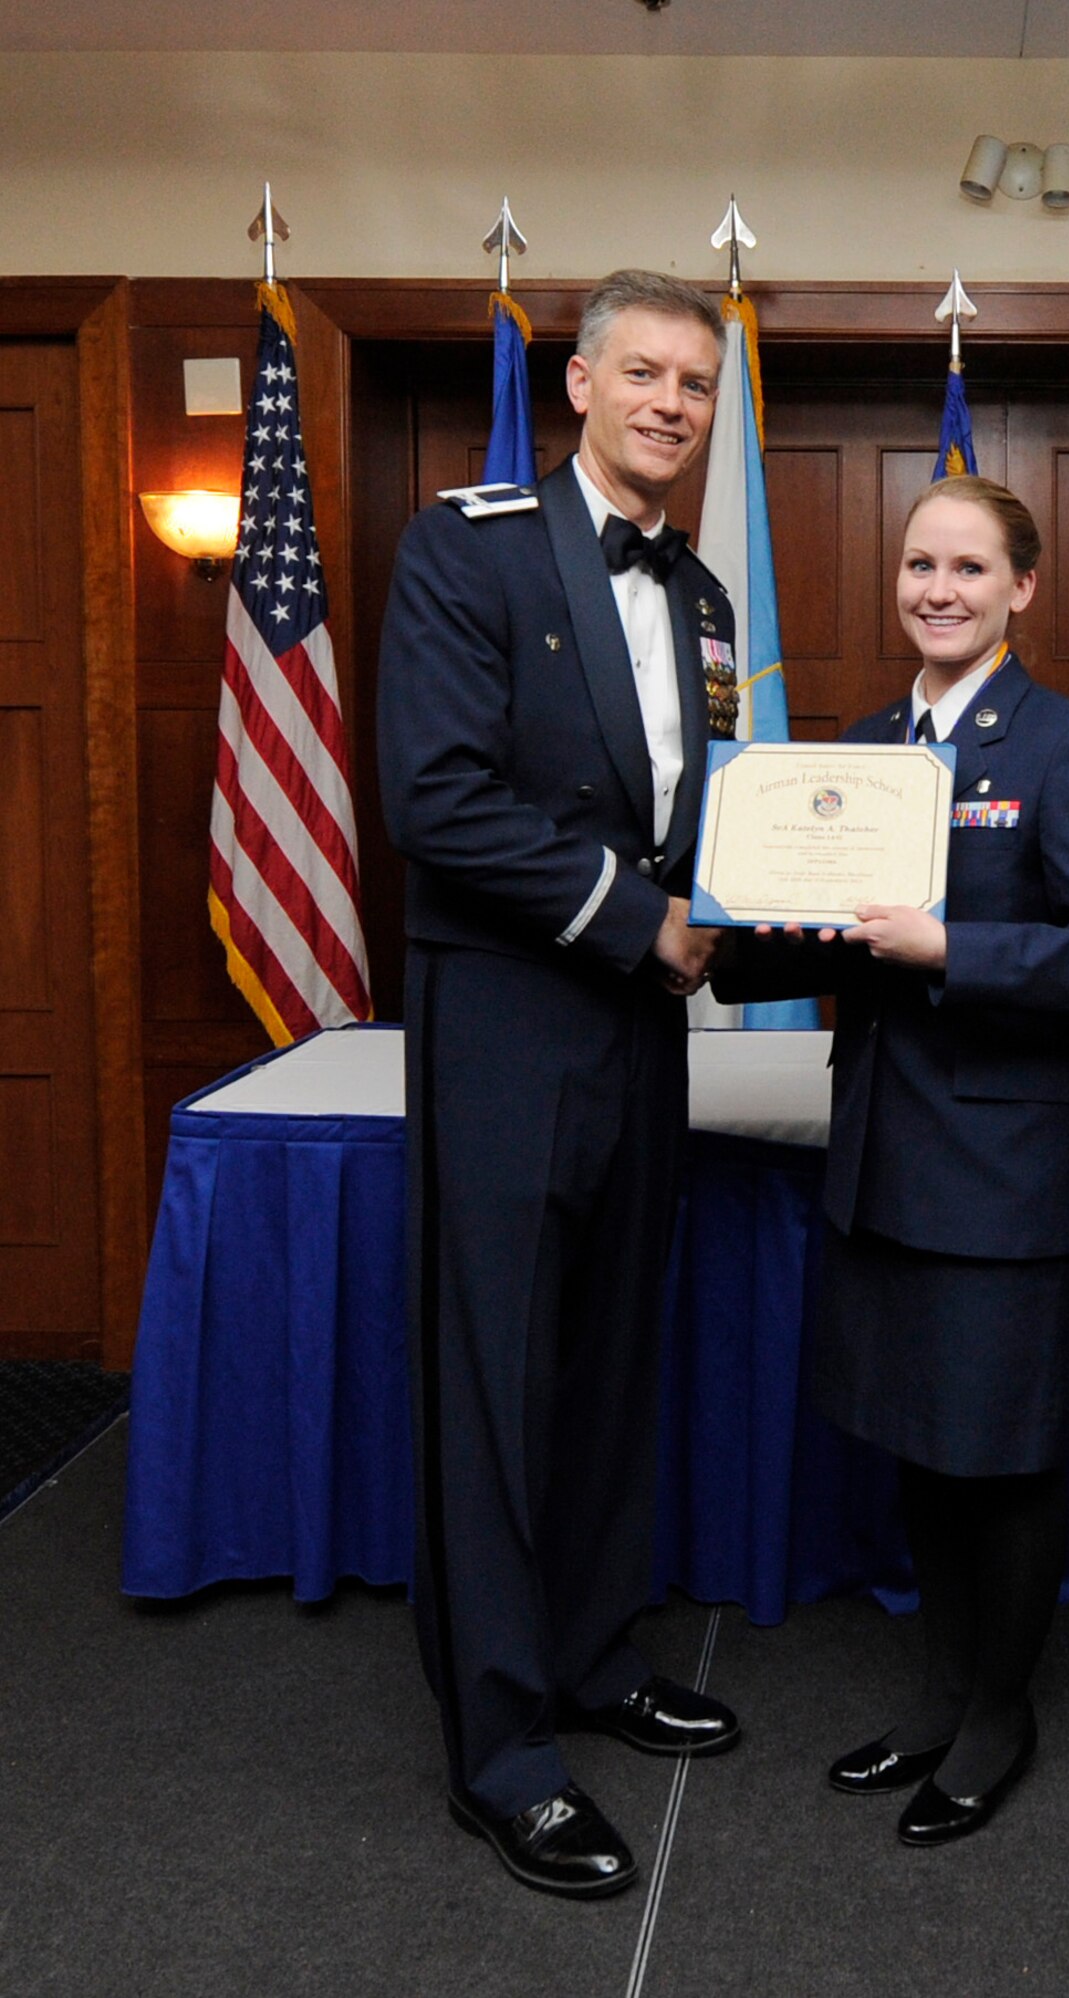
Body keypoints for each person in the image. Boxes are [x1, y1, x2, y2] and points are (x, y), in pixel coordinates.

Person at [718, 476, 1069, 1846]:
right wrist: (732, 906)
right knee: (919, 1443)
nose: (940, 589)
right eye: (920, 565)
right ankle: (940, 1687)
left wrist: (954, 948)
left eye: (971, 567)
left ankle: (998, 1717)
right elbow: (776, 937)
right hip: (882, 1162)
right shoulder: (858, 749)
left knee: (1004, 1457)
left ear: (1023, 589)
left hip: (1005, 1171)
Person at [377, 269, 742, 1899]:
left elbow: (709, 820)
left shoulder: (711, 598)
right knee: (500, 1378)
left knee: (606, 1360)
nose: (672, 401)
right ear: (578, 383)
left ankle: (595, 1654)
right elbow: (438, 803)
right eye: (645, 372)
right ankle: (504, 1748)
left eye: (696, 383)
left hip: (639, 1027)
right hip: (514, 1018)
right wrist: (640, 919)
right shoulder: (470, 543)